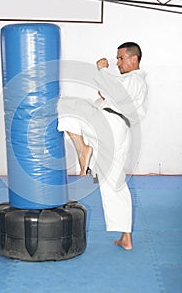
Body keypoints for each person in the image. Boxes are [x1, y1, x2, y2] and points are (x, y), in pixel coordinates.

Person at [58, 42, 148, 250]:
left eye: (121, 58)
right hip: (118, 132)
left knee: (64, 105)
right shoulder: (132, 82)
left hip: (108, 124)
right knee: (113, 182)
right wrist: (106, 93)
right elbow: (114, 94)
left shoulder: (134, 79)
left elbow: (114, 89)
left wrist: (102, 68)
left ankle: (82, 149)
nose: (117, 62)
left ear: (134, 59)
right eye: (116, 59)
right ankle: (126, 237)